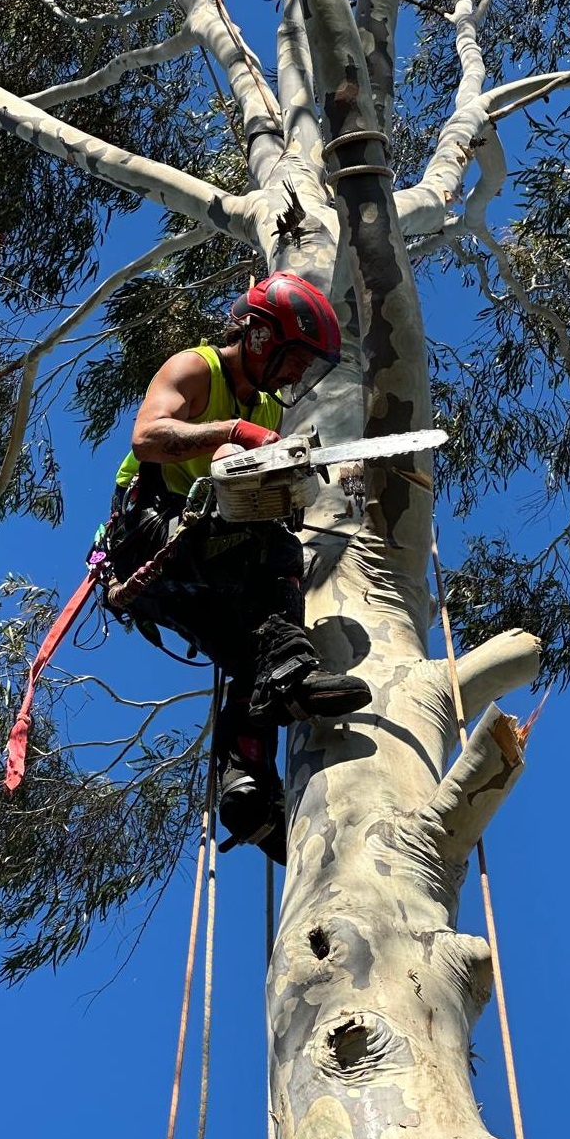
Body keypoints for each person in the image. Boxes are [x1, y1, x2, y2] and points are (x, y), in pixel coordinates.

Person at [106, 272, 371, 862]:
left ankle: (247, 791)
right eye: (295, 358)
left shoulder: (267, 406)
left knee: (256, 648)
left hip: (195, 568)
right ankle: (291, 681)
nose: (297, 375)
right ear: (258, 335)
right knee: (274, 555)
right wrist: (228, 434)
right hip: (147, 534)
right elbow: (148, 437)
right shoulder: (196, 368)